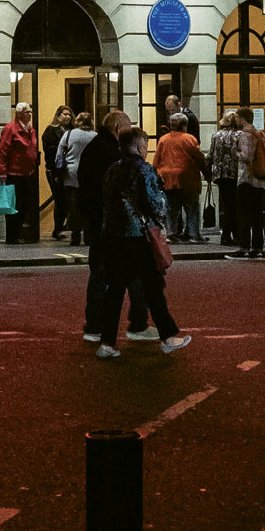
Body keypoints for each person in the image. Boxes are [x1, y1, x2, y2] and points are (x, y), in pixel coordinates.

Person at [94, 126, 190, 359]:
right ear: (138, 146)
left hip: (113, 235)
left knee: (114, 290)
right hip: (138, 235)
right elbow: (156, 203)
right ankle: (167, 336)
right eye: (145, 145)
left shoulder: (112, 169)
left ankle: (107, 342)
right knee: (153, 287)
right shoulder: (144, 169)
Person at [77, 109, 152, 345]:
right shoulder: (116, 155)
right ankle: (138, 324)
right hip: (119, 226)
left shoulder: (92, 148)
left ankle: (95, 326)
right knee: (136, 274)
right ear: (118, 128)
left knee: (100, 275)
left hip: (97, 222)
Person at [153, 111, 204, 243]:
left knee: (171, 208)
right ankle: (193, 234)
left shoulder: (163, 140)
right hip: (187, 178)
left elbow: (157, 160)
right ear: (184, 125)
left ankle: (171, 233)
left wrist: (156, 175)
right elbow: (199, 158)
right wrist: (207, 173)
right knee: (192, 207)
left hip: (168, 179)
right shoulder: (189, 139)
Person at [0, 101, 41, 244]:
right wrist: (2, 172)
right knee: (15, 206)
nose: (29, 114)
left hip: (28, 173)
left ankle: (19, 233)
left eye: (30, 112)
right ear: (19, 114)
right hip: (14, 174)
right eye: (27, 112)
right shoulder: (10, 129)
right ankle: (12, 235)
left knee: (25, 205)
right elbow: (2, 151)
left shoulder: (30, 129)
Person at [230, 109, 265, 257]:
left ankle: (244, 247)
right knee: (257, 215)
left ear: (242, 118)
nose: (236, 120)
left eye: (237, 117)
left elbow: (246, 156)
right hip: (260, 179)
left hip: (247, 179)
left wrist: (235, 152)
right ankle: (257, 247)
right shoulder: (259, 133)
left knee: (244, 214)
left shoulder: (245, 135)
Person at [57, 111, 94, 248]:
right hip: (90, 175)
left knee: (73, 206)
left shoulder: (68, 134)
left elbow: (59, 155)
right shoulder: (95, 136)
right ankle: (89, 235)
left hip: (71, 174)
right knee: (89, 205)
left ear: (77, 121)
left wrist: (58, 172)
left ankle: (75, 235)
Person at [206, 112, 239, 249]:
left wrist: (208, 172)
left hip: (220, 174)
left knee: (227, 204)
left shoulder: (216, 135)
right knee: (234, 205)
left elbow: (210, 155)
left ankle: (228, 235)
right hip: (234, 174)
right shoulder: (238, 135)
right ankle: (231, 235)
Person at [42, 106, 74, 239]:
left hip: (67, 170)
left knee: (66, 199)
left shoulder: (71, 131)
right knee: (59, 199)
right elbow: (49, 150)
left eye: (69, 115)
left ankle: (62, 226)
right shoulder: (50, 130)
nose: (67, 117)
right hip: (54, 170)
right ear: (58, 115)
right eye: (65, 114)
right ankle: (57, 228)